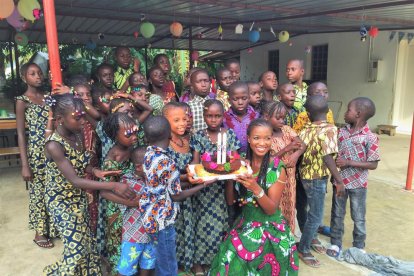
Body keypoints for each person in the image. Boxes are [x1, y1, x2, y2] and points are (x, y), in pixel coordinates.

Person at [43, 94, 135, 275]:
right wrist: (113, 186)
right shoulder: (54, 145)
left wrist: (95, 171)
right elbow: (75, 180)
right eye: (78, 117)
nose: (83, 120)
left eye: (83, 115)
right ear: (60, 119)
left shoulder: (76, 135)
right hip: (60, 200)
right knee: (75, 247)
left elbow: (79, 162)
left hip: (78, 198)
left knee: (86, 242)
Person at [209, 118, 299, 275]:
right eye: (257, 138)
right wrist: (231, 175)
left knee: (246, 258)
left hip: (270, 228)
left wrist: (255, 187)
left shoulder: (277, 167)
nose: (262, 143)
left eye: (267, 138)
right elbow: (231, 200)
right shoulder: (241, 161)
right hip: (245, 222)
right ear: (249, 139)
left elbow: (271, 209)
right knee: (229, 255)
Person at [139, 116, 216, 275]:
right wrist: (202, 185)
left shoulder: (147, 154)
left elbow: (163, 182)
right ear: (169, 135)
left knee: (160, 258)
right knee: (168, 265)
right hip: (163, 220)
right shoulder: (167, 162)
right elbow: (177, 196)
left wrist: (188, 178)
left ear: (146, 137)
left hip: (149, 216)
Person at [191, 99, 241, 274]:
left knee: (220, 224)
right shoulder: (198, 136)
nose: (213, 120)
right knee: (201, 224)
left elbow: (234, 160)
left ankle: (215, 260)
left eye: (217, 116)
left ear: (223, 116)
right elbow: (196, 164)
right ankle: (199, 261)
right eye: (209, 116)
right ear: (204, 116)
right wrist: (201, 173)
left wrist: (226, 172)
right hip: (203, 189)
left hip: (222, 189)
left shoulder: (229, 134)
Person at [327, 97, 380, 258]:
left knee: (358, 216)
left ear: (358, 114)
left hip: (358, 184)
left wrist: (348, 162)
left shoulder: (370, 137)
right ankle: (336, 243)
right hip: (340, 182)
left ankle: (358, 245)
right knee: (337, 213)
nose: (345, 113)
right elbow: (331, 152)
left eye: (348, 110)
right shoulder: (341, 132)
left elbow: (373, 164)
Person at [297, 95, 345, 268]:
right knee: (316, 217)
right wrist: (338, 180)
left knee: (308, 212)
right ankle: (303, 248)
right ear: (327, 111)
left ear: (308, 114)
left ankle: (308, 240)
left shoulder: (305, 129)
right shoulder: (330, 129)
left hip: (304, 176)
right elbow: (327, 156)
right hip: (317, 179)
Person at [16, 63, 57, 248]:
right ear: (24, 77)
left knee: (54, 187)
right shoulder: (22, 100)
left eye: (39, 73)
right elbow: (20, 134)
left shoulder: (49, 97)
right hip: (36, 153)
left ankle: (54, 228)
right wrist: (24, 164)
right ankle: (39, 232)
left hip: (55, 149)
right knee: (38, 191)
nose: (37, 76)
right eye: (32, 74)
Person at [100, 112, 139, 274]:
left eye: (135, 131)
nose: (134, 136)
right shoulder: (112, 158)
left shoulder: (134, 147)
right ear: (114, 136)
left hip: (134, 207)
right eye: (128, 134)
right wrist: (131, 203)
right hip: (117, 210)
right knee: (119, 243)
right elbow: (104, 192)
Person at [262, 101, 305, 232]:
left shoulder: (287, 130)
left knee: (289, 209)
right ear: (266, 117)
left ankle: (287, 239)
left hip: (290, 179)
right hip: (274, 180)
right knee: (275, 208)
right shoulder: (264, 136)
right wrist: (287, 148)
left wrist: (295, 155)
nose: (282, 120)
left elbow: (303, 145)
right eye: (278, 118)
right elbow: (268, 161)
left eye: (283, 117)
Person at [113, 146, 155, 276]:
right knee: (127, 268)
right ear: (138, 166)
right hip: (133, 235)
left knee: (147, 266)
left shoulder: (154, 179)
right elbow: (123, 204)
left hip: (152, 234)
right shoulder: (127, 182)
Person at [70, 77, 101, 236]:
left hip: (93, 162)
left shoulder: (91, 111)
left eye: (87, 93)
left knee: (93, 197)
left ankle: (94, 229)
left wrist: (82, 102)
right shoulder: (75, 117)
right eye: (80, 94)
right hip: (80, 164)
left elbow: (96, 115)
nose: (86, 97)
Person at [223, 81, 259, 154]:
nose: (240, 102)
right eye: (235, 99)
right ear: (229, 100)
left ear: (249, 98)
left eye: (244, 98)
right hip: (232, 158)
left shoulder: (256, 117)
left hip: (253, 156)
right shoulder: (223, 119)